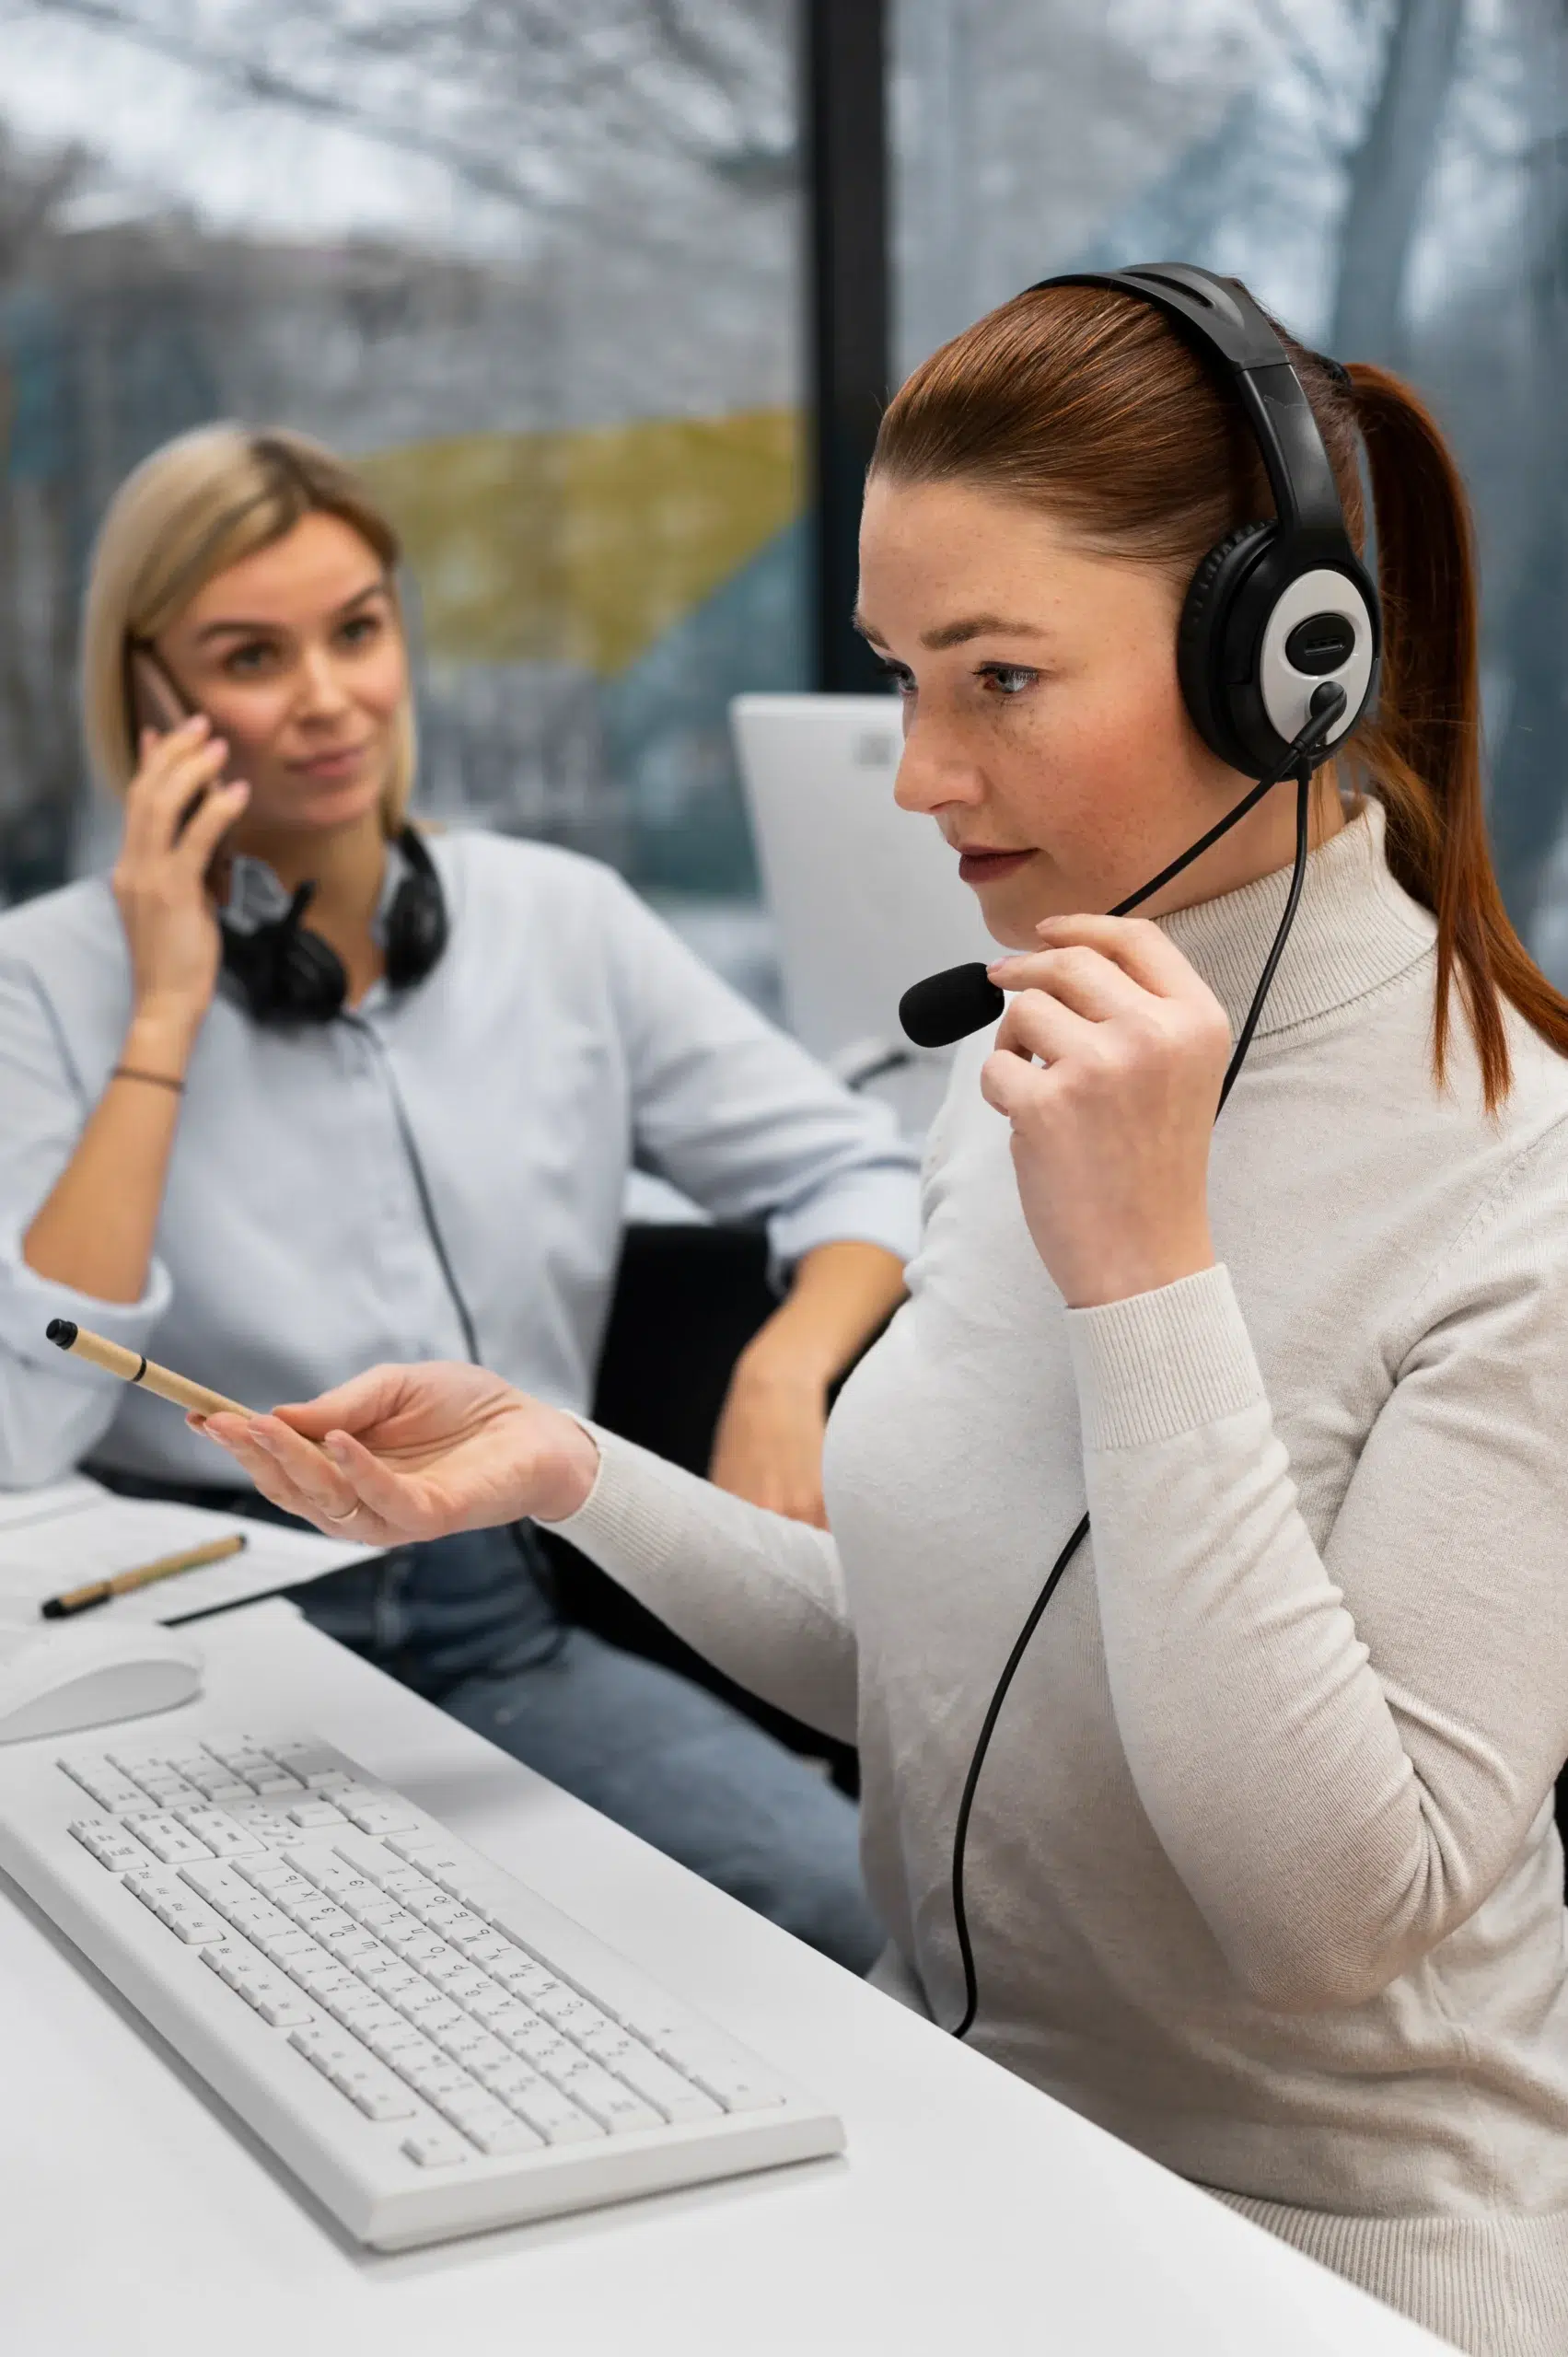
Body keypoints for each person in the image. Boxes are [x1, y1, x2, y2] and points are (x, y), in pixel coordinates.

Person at [203, 273, 1568, 2357]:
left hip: (1331, 2266)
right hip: (955, 2162)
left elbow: (1320, 1926)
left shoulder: (1509, 1179)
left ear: (1287, 663)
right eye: (898, 677)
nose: (921, 773)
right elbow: (943, 1667)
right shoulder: (1025, 1034)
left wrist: (1148, 1272)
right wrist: (573, 1476)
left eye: (1000, 675)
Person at [0, 423, 922, 1972]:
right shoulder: (47, 976)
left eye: (355, 630)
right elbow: (25, 1425)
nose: (325, 697)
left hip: (496, 1619)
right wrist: (163, 1011)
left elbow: (859, 1163)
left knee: (850, 1908)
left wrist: (785, 1365)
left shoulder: (555, 921)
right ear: (150, 693)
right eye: (248, 654)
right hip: (196, 1626)